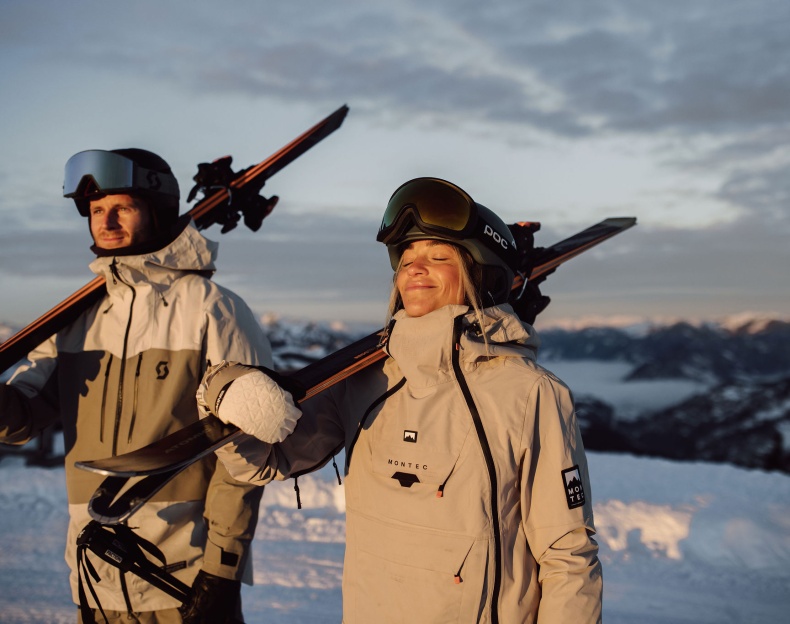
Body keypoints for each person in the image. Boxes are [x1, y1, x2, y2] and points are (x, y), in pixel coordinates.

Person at [198, 177, 603, 623]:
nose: (413, 268)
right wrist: (224, 392)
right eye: (406, 258)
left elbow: (567, 555)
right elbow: (270, 458)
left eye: (438, 256)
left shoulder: (529, 393)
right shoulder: (367, 380)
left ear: (482, 271)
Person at [0, 148, 273, 623]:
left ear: (158, 209)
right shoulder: (75, 320)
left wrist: (222, 569)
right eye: (95, 211)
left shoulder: (213, 309)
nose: (105, 222)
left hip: (183, 580)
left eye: (121, 207)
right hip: (94, 575)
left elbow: (247, 450)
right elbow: (22, 419)